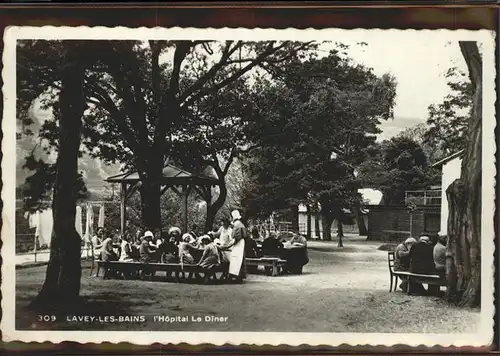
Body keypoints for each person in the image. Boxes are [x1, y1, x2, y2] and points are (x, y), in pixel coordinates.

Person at [222, 210, 247, 283]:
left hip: (238, 243)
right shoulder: (240, 224)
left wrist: (228, 246)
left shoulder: (237, 225)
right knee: (239, 259)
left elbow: (235, 237)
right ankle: (239, 276)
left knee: (236, 259)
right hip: (241, 242)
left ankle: (236, 277)